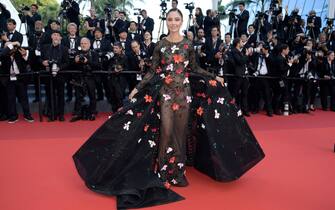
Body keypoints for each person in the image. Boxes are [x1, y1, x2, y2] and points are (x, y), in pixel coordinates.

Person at [73, 8, 264, 210]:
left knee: (180, 134)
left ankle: (178, 173)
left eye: (177, 19)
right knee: (165, 131)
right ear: (167, 20)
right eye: (170, 19)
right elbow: (153, 70)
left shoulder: (189, 44)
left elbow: (195, 69)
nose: (173, 23)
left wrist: (213, 77)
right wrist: (137, 88)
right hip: (165, 94)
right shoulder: (161, 45)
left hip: (184, 94)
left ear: (181, 21)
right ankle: (164, 172)